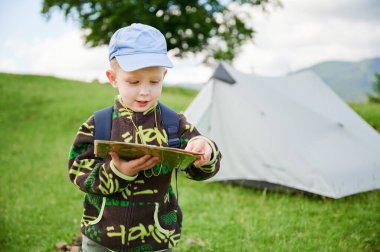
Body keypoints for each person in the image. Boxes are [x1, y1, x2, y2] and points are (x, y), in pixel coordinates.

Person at [68, 23, 222, 252]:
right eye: (133, 82)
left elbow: (199, 170)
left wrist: (204, 151)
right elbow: (78, 172)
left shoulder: (174, 123)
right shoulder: (98, 124)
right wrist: (118, 173)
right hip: (101, 239)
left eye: (154, 81)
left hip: (156, 239)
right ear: (113, 78)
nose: (145, 91)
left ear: (164, 75)